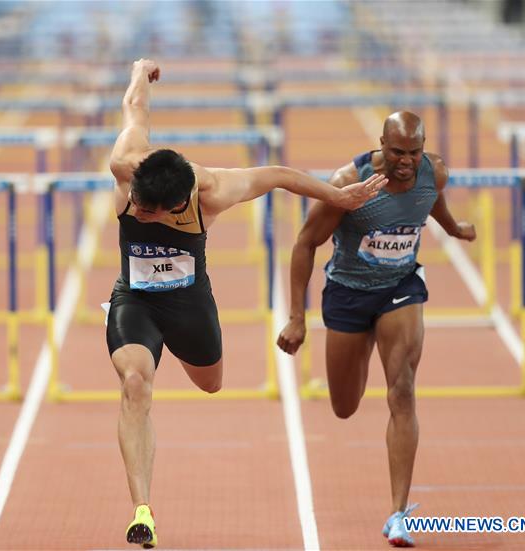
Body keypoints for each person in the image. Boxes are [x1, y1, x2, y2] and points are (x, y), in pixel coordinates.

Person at [107, 59, 387, 549]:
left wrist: (339, 198)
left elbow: (279, 175)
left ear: (180, 205)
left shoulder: (212, 191)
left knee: (211, 384)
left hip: (189, 301)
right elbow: (135, 108)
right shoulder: (127, 165)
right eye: (138, 204)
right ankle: (143, 511)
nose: (141, 212)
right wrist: (139, 71)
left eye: (152, 211)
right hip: (135, 298)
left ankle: (180, 355)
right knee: (135, 383)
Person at [276, 111, 476, 547]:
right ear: (381, 144)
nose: (405, 162)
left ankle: (398, 514)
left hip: (400, 289)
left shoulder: (433, 172)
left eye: (414, 153)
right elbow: (305, 243)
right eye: (397, 152)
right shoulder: (351, 180)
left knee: (402, 390)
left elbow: (431, 200)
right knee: (344, 406)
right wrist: (296, 316)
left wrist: (454, 228)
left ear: (424, 150)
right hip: (347, 294)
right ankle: (365, 340)